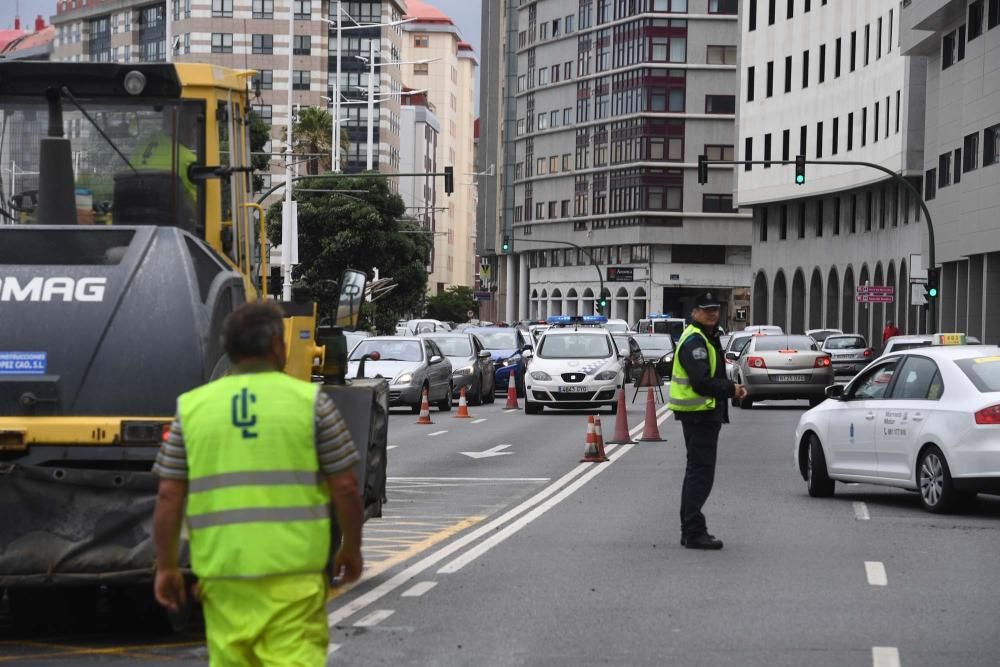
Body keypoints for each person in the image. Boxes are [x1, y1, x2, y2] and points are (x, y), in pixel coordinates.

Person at [152, 302, 364, 666]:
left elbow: (169, 495)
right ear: (276, 347)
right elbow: (345, 487)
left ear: (230, 352)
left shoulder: (191, 409)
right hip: (294, 579)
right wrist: (351, 548)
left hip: (223, 579)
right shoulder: (312, 404)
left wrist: (167, 566)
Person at [667, 292, 746, 550]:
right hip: (699, 414)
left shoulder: (706, 336)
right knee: (700, 475)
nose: (712, 313)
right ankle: (693, 531)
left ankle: (691, 528)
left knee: (697, 472)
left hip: (702, 414)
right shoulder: (695, 341)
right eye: (706, 309)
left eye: (715, 309)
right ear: (694, 312)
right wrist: (731, 389)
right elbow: (701, 382)